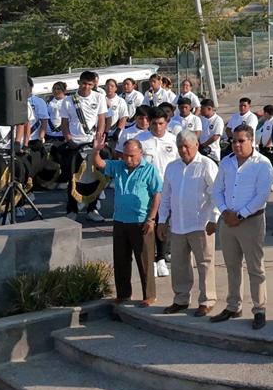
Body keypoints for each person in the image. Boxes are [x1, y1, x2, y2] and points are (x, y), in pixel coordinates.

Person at [209, 123, 273, 328]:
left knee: (255, 268)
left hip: (251, 221)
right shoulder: (226, 163)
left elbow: (262, 195)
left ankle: (259, 309)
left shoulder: (262, 164)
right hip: (228, 221)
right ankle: (233, 306)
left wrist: (241, 214)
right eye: (234, 141)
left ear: (251, 140)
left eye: (241, 141)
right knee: (232, 266)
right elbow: (217, 190)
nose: (236, 145)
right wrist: (225, 212)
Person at [91, 138, 160, 306]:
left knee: (145, 261)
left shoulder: (149, 170)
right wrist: (96, 151)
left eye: (132, 156)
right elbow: (100, 164)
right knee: (121, 260)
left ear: (140, 153)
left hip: (140, 221)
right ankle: (123, 294)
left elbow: (157, 194)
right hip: (120, 221)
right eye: (125, 156)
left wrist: (151, 219)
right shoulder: (118, 166)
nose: (128, 159)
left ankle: (149, 295)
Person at [157, 130, 219, 317]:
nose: (183, 150)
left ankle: (207, 300)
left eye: (187, 146)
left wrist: (214, 218)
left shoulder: (207, 165)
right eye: (180, 146)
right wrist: (162, 220)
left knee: (205, 264)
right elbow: (166, 196)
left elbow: (216, 194)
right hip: (177, 225)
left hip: (200, 224)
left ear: (196, 145)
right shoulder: (172, 167)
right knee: (179, 264)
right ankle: (181, 299)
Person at [59, 71, 108, 221]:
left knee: (94, 177)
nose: (86, 87)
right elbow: (64, 123)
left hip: (91, 142)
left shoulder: (99, 97)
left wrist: (98, 139)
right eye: (84, 83)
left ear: (94, 84)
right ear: (79, 83)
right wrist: (68, 139)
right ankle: (72, 209)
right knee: (73, 178)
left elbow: (101, 120)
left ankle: (92, 209)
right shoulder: (68, 100)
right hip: (74, 143)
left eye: (90, 84)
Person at [137, 107, 179, 278]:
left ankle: (161, 257)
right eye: (153, 123)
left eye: (161, 123)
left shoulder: (174, 140)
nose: (157, 127)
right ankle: (151, 259)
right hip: (146, 191)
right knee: (149, 223)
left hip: (167, 189)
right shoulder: (140, 140)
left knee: (164, 223)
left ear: (166, 123)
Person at [103, 78, 130, 146]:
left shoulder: (120, 101)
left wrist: (118, 130)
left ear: (116, 88)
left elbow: (123, 117)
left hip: (114, 133)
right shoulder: (101, 99)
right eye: (107, 86)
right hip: (102, 133)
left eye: (112, 86)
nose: (109, 88)